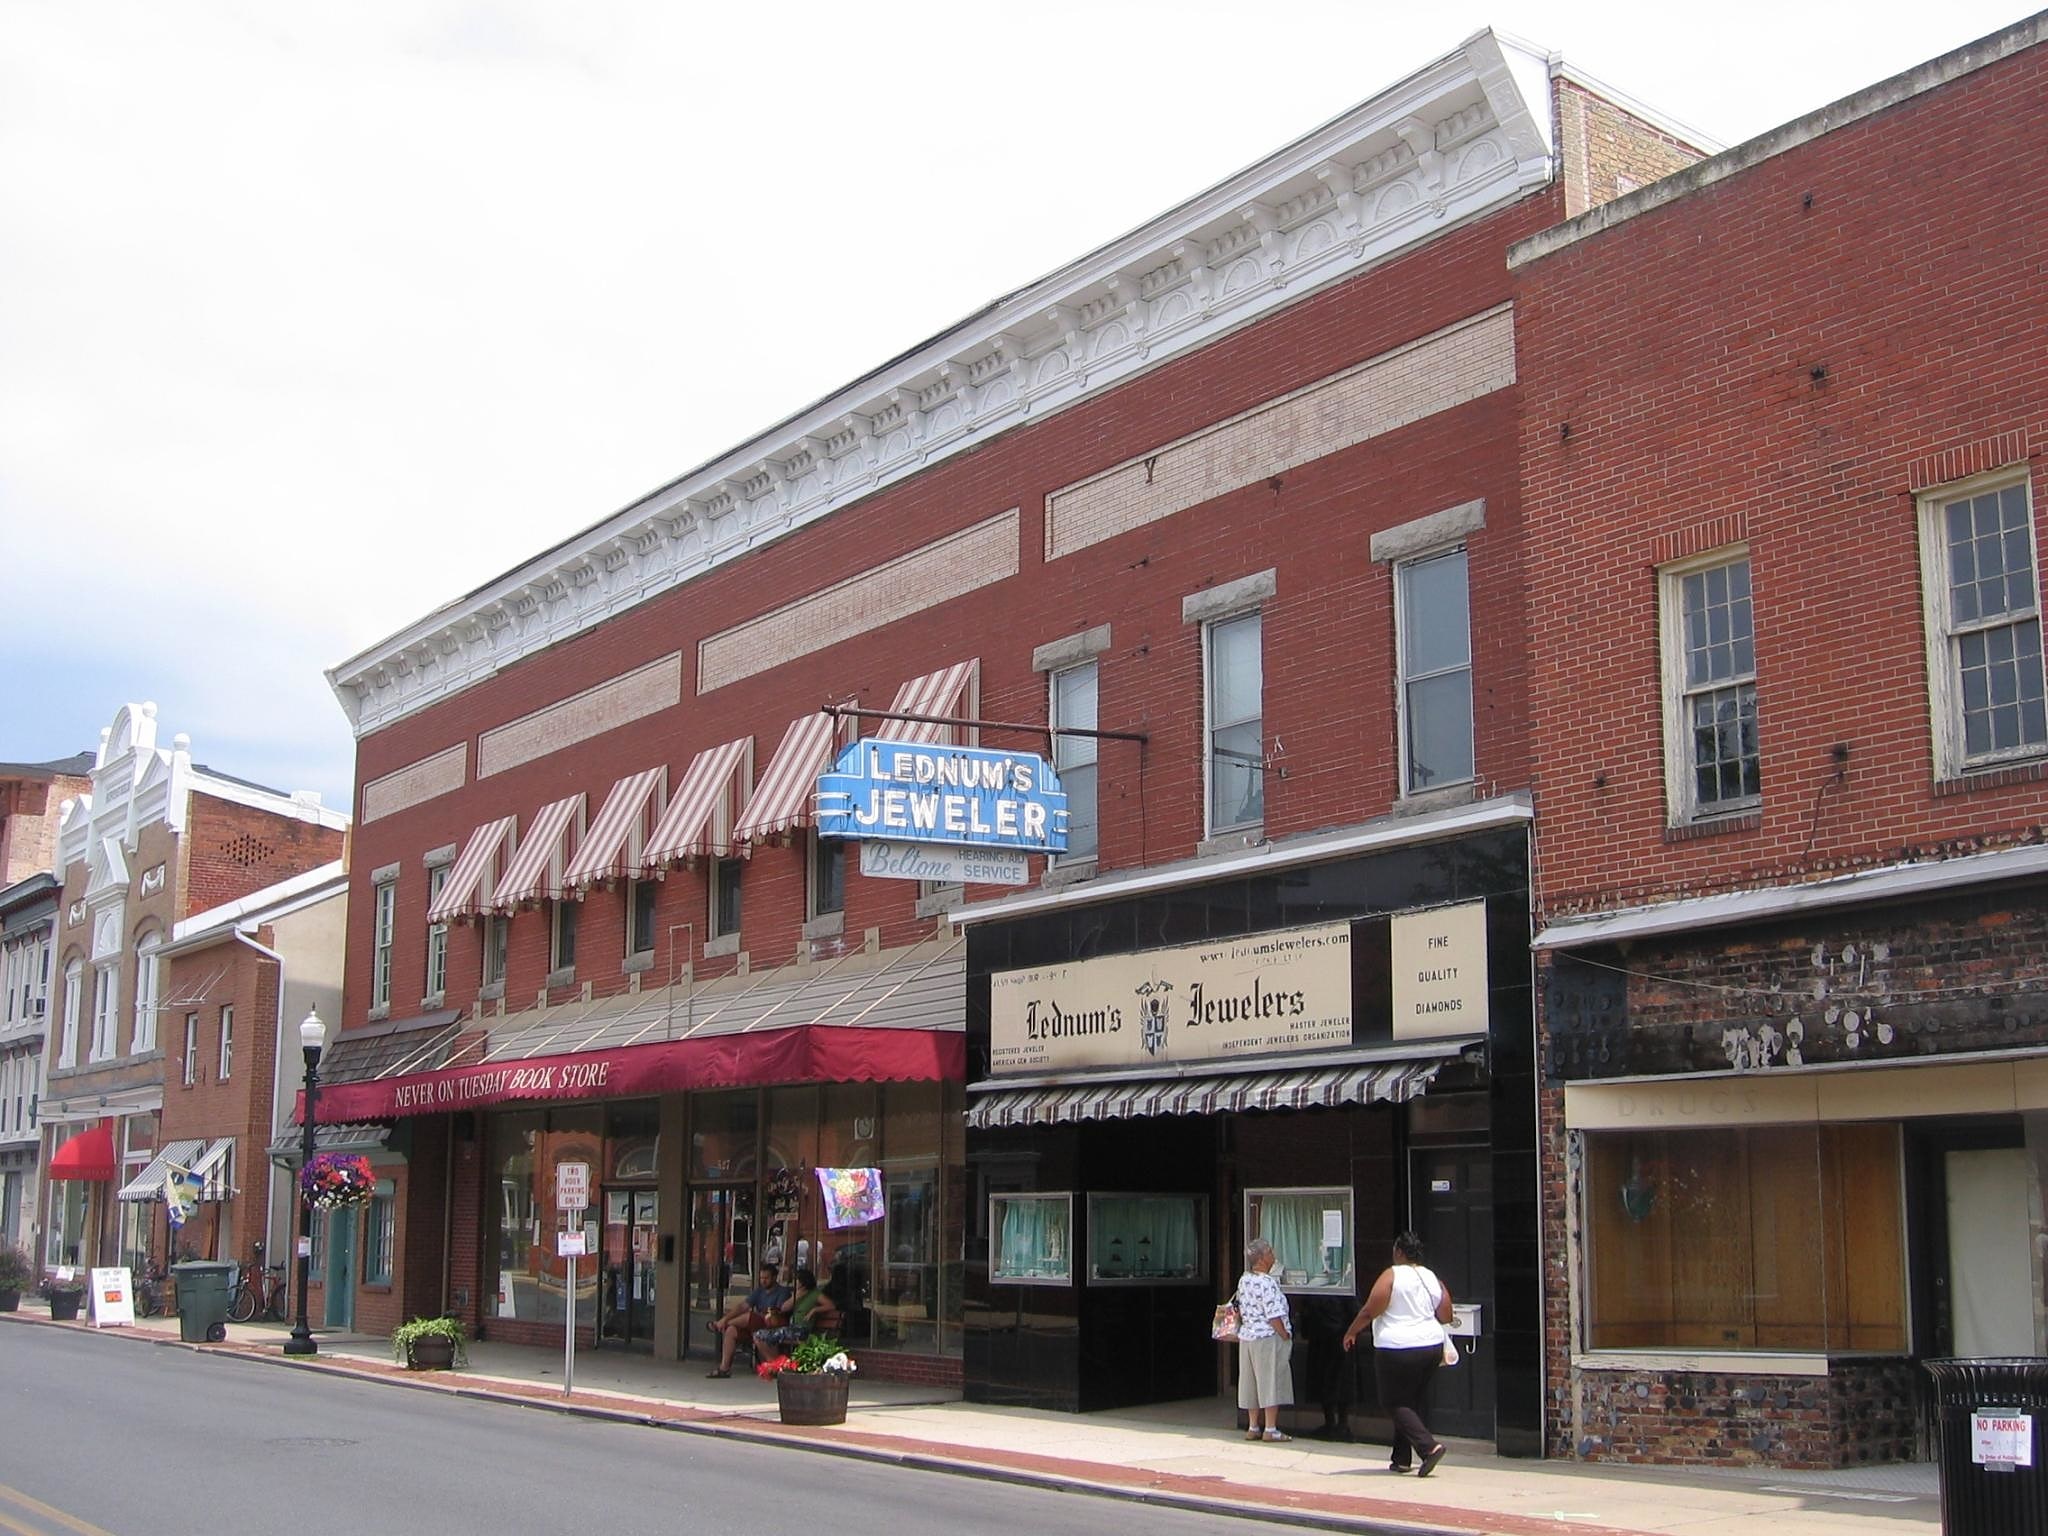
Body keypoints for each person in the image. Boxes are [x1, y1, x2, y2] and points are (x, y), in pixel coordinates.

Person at [1342, 1232, 1453, 1477]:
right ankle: (1401, 1459)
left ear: (1399, 1252)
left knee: (1393, 1402)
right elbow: (1446, 1314)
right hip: (1431, 1346)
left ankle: (1429, 1448)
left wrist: (1351, 1332)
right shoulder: (1431, 1277)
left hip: (1397, 1347)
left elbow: (1371, 1309)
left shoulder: (1392, 1275)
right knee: (1410, 1403)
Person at [1234, 1237, 1294, 1442]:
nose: (1273, 1255)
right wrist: (1285, 1334)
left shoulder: (1244, 1279)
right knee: (1270, 1381)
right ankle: (1270, 1428)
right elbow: (1273, 1315)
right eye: (1269, 1251)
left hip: (1248, 1336)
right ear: (1261, 1258)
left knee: (1250, 1381)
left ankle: (1252, 1426)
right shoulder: (1267, 1282)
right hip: (1267, 1338)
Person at [706, 1262, 792, 1377]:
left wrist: (725, 1320)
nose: (763, 1281)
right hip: (756, 1325)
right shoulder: (759, 1291)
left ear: (774, 1277)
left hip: (773, 1324)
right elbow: (743, 1306)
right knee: (731, 1330)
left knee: (749, 1316)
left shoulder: (783, 1291)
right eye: (761, 1278)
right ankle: (724, 1368)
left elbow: (778, 1311)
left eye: (766, 1278)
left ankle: (721, 1324)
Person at [753, 1267, 841, 1359]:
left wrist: (814, 1310)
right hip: (793, 1327)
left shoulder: (815, 1294)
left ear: (803, 1281)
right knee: (759, 1336)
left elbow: (831, 1305)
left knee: (762, 1336)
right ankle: (774, 1364)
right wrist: (796, 1296)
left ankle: (774, 1365)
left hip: (802, 1330)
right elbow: (784, 1308)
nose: (794, 1282)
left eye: (796, 1279)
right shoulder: (797, 1294)